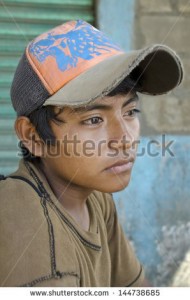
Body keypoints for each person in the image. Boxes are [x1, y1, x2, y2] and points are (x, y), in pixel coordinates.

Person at [0, 19, 183, 287]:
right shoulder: (26, 224)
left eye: (130, 112)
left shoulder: (93, 196)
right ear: (33, 136)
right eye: (94, 119)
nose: (125, 140)